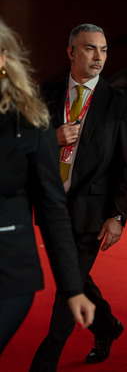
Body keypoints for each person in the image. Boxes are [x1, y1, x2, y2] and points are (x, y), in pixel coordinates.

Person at [31, 23, 127, 371]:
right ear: (71, 51)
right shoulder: (44, 95)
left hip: (92, 210)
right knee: (73, 279)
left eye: (104, 49)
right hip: (50, 205)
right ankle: (107, 326)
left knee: (66, 293)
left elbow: (125, 165)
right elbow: (24, 149)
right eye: (91, 48)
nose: (99, 56)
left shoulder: (118, 104)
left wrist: (118, 215)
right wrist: (51, 138)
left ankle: (44, 363)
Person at [0, 18, 95, 356]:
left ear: (3, 59)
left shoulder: (30, 122)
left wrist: (73, 289)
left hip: (7, 272)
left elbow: (53, 210)